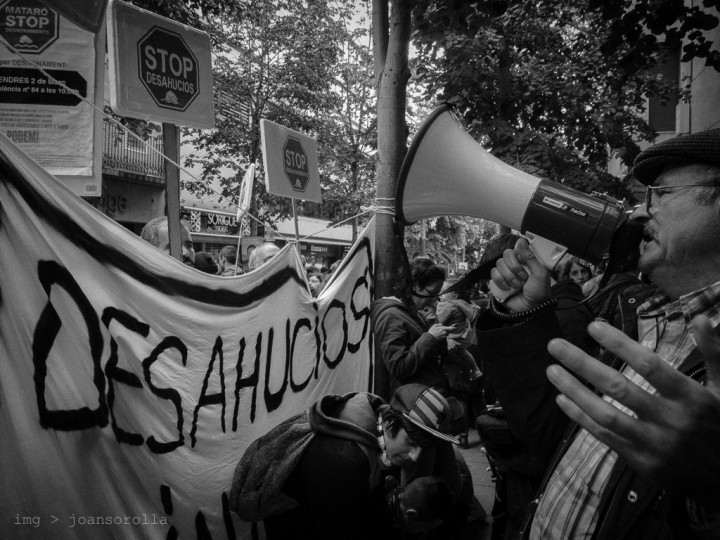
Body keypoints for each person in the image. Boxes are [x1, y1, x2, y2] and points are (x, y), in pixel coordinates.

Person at [475, 128, 720, 539]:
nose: (642, 214)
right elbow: (556, 433)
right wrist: (523, 317)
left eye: (661, 194)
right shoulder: (645, 316)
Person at [229, 383, 461, 540]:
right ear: (391, 422)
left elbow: (369, 507)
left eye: (422, 448)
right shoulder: (343, 462)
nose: (413, 456)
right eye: (410, 442)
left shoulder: (375, 436)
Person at [370, 257, 456, 395]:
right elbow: (398, 367)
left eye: (438, 295)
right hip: (413, 401)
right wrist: (429, 337)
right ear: (415, 286)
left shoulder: (416, 312)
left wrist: (434, 325)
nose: (435, 299)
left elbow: (440, 355)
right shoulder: (391, 316)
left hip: (429, 394)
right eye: (432, 293)